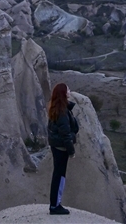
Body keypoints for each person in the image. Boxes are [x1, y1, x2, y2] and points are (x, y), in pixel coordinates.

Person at [47, 82, 79, 215]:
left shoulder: (57, 108)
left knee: (57, 176)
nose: (70, 91)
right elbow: (65, 134)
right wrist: (71, 151)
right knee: (60, 177)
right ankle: (55, 206)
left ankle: (55, 204)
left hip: (56, 146)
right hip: (61, 148)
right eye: (67, 89)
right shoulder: (62, 112)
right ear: (63, 93)